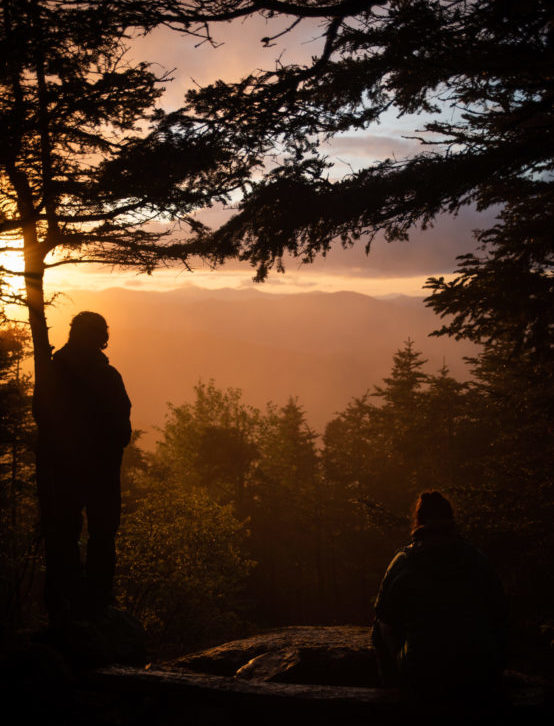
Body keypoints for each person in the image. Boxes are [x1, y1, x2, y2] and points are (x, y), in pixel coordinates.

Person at [34, 312, 131, 630]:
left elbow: (42, 416)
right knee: (101, 535)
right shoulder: (109, 376)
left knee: (66, 534)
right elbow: (122, 429)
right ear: (102, 338)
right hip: (101, 472)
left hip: (64, 469)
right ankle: (95, 604)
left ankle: (70, 604)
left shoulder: (52, 371)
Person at [372, 491, 507, 694]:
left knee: (379, 624)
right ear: (451, 520)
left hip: (422, 674)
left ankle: (395, 690)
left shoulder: (404, 560)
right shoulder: (476, 558)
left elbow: (385, 617)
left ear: (419, 521)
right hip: (479, 671)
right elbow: (500, 613)